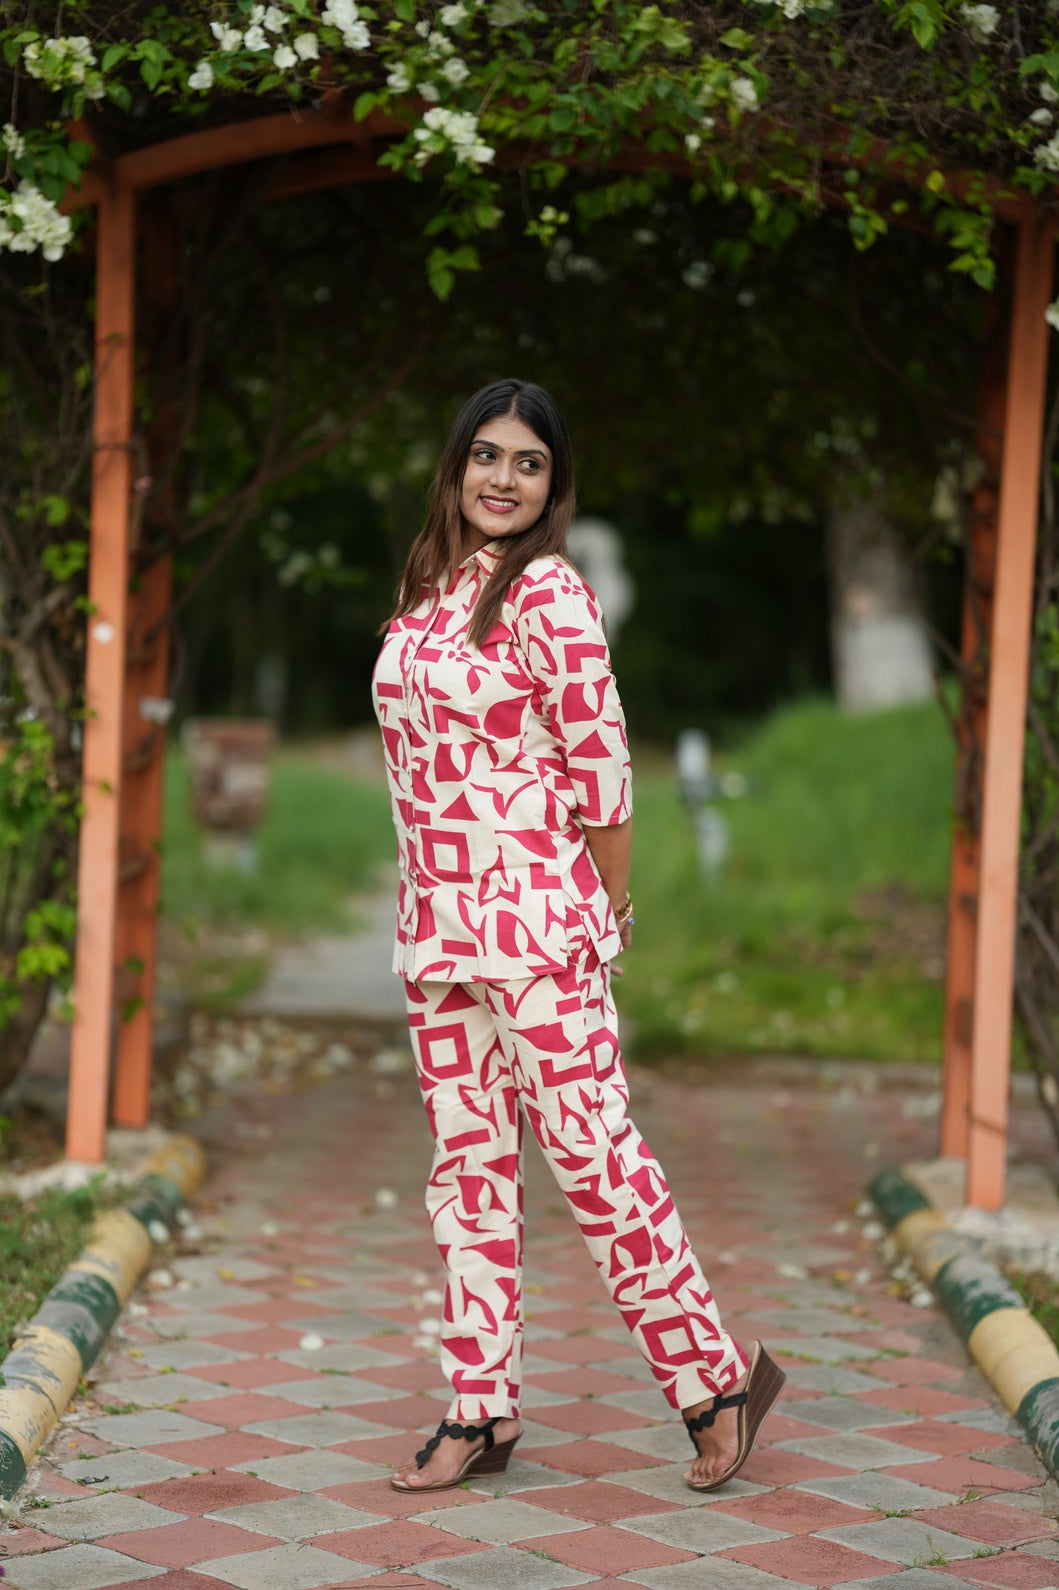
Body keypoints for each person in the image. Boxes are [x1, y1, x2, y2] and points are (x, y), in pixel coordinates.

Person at [371, 378, 783, 1495]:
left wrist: (608, 912)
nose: (503, 478)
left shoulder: (550, 593)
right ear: (457, 465)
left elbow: (603, 774)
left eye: (529, 462)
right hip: (436, 936)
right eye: (486, 455)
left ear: (553, 485)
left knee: (597, 1161)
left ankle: (713, 1385)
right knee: (468, 1174)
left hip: (539, 932)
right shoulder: (428, 587)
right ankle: (479, 1409)